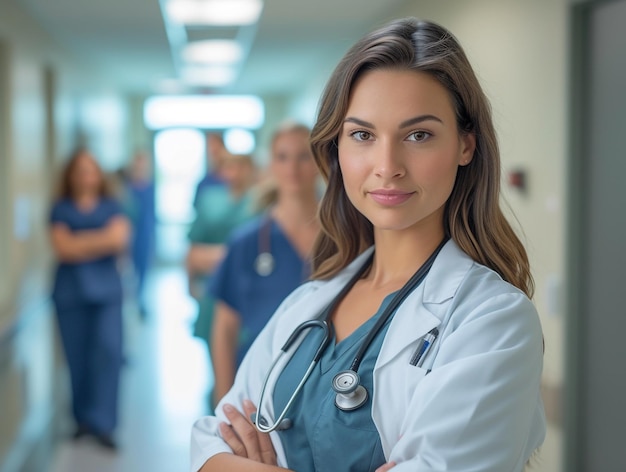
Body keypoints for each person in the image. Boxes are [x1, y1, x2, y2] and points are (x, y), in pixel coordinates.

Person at [190, 17, 546, 472]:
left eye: (418, 135)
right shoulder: (308, 303)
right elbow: (209, 442)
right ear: (337, 149)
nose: (387, 165)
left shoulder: (494, 320)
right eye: (362, 135)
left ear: (466, 145)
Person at [208, 122, 320, 408]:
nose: (293, 167)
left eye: (304, 156)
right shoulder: (247, 242)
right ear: (271, 165)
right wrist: (225, 401)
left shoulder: (345, 239)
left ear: (321, 161)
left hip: (326, 380)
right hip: (260, 382)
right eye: (282, 157)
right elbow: (223, 330)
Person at [48, 147, 130, 451]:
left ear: (99, 175)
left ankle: (105, 424)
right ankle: (82, 420)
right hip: (70, 295)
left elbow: (118, 239)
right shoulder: (60, 208)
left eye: (91, 169)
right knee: (77, 358)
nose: (86, 176)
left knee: (109, 353)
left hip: (107, 294)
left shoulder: (112, 206)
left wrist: (78, 241)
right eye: (80, 170)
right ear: (70, 176)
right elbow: (62, 248)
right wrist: (100, 241)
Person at [186, 153, 258, 409]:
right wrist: (190, 285)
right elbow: (193, 253)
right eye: (229, 167)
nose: (234, 173)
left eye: (241, 166)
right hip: (213, 292)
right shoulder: (210, 200)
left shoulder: (262, 202)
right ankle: (221, 416)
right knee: (219, 364)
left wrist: (217, 255)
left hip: (253, 294)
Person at [124, 150, 156, 320]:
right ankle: (131, 302)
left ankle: (141, 302)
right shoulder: (126, 189)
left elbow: (152, 215)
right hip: (130, 236)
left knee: (143, 271)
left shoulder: (150, 187)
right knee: (130, 271)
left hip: (145, 235)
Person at [192, 132, 229, 210]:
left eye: (216, 150)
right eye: (210, 150)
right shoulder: (204, 182)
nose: (213, 151)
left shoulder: (233, 180)